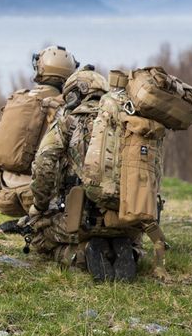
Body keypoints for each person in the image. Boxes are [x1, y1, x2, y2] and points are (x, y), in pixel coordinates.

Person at [28, 67, 141, 281]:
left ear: (73, 94)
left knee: (39, 239)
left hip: (82, 219)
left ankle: (81, 253)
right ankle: (132, 253)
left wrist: (40, 207)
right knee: (134, 240)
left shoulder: (68, 121)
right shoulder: (128, 120)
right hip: (129, 219)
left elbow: (44, 163)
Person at [0, 46, 78, 233]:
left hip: (4, 187)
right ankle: (39, 224)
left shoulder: (18, 98)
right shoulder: (65, 107)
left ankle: (27, 220)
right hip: (36, 194)